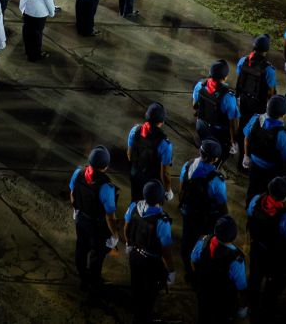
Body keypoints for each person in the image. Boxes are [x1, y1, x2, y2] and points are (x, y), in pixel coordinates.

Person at [69, 146, 121, 290]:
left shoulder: (78, 172)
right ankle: (94, 280)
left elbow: (72, 192)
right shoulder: (106, 187)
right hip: (97, 226)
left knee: (81, 246)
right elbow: (110, 216)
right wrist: (114, 235)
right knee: (97, 254)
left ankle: (82, 274)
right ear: (105, 166)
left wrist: (76, 210)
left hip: (81, 220)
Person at [125, 179, 175, 324]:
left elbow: (126, 227)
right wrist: (171, 270)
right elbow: (166, 251)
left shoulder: (134, 206)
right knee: (149, 292)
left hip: (135, 254)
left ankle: (136, 312)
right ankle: (144, 318)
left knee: (136, 285)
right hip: (151, 262)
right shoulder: (162, 221)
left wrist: (128, 243)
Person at [247, 176, 286, 314]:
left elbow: (250, 216)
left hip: (257, 249)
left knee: (255, 277)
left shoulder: (256, 200)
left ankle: (252, 303)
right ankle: (266, 306)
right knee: (275, 283)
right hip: (276, 257)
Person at [179, 139, 229, 281]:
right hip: (206, 217)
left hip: (188, 212)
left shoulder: (188, 166)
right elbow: (221, 203)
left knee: (187, 242)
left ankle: (189, 272)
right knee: (204, 244)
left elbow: (182, 189)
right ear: (214, 159)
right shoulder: (216, 179)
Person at [190, 215, 250, 323]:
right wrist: (242, 307)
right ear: (234, 235)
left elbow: (193, 260)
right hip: (224, 301)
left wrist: (199, 277)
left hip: (204, 294)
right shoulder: (236, 260)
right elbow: (241, 288)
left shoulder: (203, 242)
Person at [242, 93, 286, 207]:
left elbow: (246, 138)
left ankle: (250, 209)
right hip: (272, 172)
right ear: (284, 114)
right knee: (269, 195)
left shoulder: (255, 119)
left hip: (254, 166)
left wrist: (246, 156)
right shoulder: (283, 135)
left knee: (252, 189)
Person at [127, 103, 174, 202]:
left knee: (135, 202)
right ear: (162, 122)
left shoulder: (134, 131)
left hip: (136, 177)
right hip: (153, 184)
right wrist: (168, 190)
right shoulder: (164, 144)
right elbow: (165, 173)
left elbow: (129, 154)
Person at [194, 59, 241, 153]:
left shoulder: (200, 85)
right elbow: (233, 123)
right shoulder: (228, 97)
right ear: (225, 77)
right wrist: (233, 141)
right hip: (217, 134)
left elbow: (195, 106)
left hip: (201, 127)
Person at [236, 34, 278, 123]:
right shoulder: (269, 70)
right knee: (255, 126)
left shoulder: (243, 61)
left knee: (243, 122)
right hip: (258, 104)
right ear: (266, 50)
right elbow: (271, 92)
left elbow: (240, 78)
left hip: (243, 99)